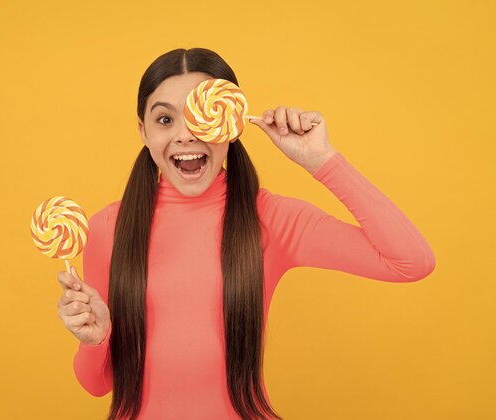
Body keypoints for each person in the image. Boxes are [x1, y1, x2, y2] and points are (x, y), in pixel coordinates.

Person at [55, 48, 436, 420]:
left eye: (200, 116)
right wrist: (96, 340)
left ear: (230, 121)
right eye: (165, 120)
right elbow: (95, 384)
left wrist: (321, 161)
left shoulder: (271, 218)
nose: (186, 135)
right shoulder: (109, 228)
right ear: (143, 131)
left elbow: (411, 262)